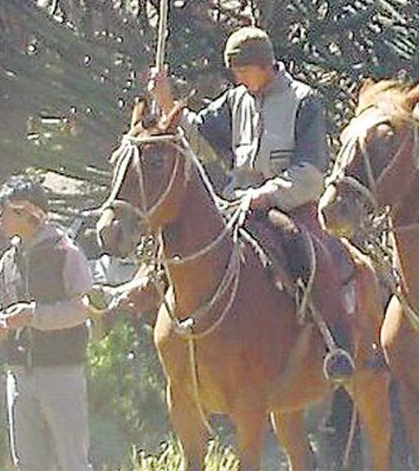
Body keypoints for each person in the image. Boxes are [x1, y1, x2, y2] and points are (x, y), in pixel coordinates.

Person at [149, 26, 361, 380]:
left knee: (311, 254)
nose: (237, 77)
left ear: (263, 65)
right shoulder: (236, 100)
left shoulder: (303, 101)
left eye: (241, 69)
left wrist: (268, 195)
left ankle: (336, 345)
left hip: (290, 205)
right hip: (237, 204)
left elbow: (310, 172)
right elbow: (199, 138)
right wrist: (167, 101)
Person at [0, 176, 98, 471]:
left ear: (28, 214)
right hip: (20, 376)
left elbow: (85, 308)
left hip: (62, 373)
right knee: (29, 467)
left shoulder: (66, 254)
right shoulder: (8, 260)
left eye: (5, 213)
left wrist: (35, 316)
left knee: (73, 463)